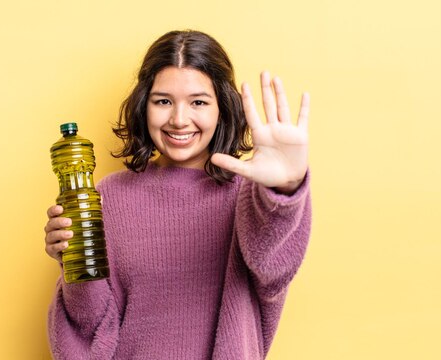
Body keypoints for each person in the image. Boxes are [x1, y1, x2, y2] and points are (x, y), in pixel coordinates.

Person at [44, 29, 312, 359]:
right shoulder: (108, 197)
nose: (179, 119)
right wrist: (75, 267)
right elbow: (91, 330)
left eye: (198, 102)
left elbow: (273, 269)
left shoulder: (250, 198)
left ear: (221, 108)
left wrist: (283, 189)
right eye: (163, 101)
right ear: (144, 105)